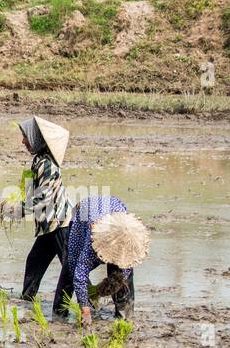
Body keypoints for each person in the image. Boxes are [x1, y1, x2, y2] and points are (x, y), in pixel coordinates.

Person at [11, 116, 73, 310]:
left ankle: (81, 303)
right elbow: (27, 190)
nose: (23, 141)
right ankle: (27, 300)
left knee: (69, 267)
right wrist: (16, 199)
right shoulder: (38, 161)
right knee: (35, 261)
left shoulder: (46, 163)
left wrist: (19, 210)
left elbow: (43, 197)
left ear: (36, 138)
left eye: (25, 137)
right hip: (48, 224)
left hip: (59, 223)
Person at [60, 195, 149, 325]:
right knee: (71, 266)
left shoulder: (129, 240)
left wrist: (105, 288)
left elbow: (123, 275)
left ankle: (124, 316)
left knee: (122, 276)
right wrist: (85, 308)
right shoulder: (91, 242)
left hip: (116, 218)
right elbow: (80, 275)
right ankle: (59, 312)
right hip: (84, 215)